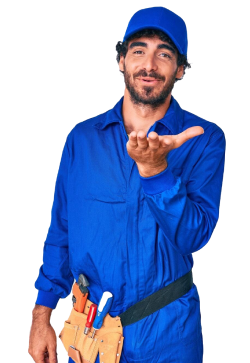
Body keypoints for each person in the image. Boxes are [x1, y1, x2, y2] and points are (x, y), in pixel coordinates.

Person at [28, 6, 225, 363]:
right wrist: (41, 315)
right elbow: (61, 230)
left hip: (168, 336)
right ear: (121, 61)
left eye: (164, 54)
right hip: (90, 333)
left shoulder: (205, 139)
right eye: (139, 50)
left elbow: (195, 237)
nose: (149, 64)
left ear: (180, 69)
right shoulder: (82, 139)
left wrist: (156, 172)